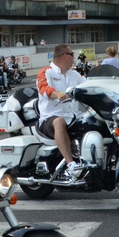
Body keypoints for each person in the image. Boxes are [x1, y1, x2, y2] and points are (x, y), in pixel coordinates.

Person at [36, 44, 87, 181]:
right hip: (49, 119)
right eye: (72, 55)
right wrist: (57, 94)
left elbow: (87, 86)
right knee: (59, 121)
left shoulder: (74, 74)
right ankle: (71, 165)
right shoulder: (47, 72)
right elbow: (44, 88)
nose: (74, 58)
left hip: (73, 117)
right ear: (65, 56)